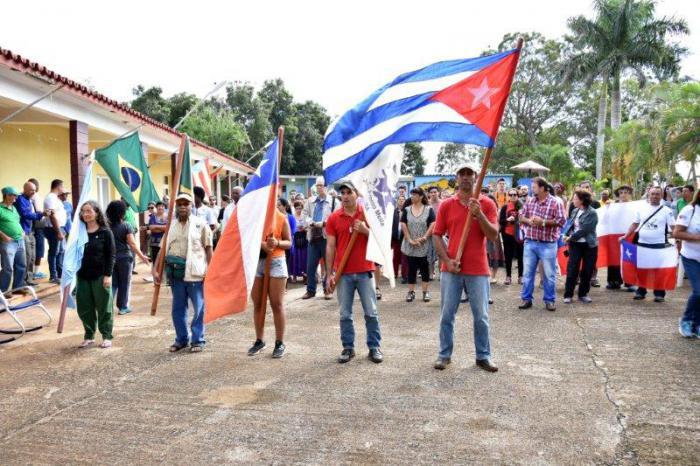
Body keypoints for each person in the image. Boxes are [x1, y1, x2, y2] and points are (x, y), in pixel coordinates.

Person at [432, 166, 499, 372]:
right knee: (447, 315)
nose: (466, 178)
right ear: (457, 178)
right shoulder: (446, 204)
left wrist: (480, 215)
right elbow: (436, 235)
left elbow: (493, 235)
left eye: (470, 175)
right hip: (451, 268)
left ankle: (483, 356)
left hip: (478, 268)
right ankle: (444, 355)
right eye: (462, 174)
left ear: (476, 178)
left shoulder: (486, 204)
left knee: (481, 316)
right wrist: (447, 260)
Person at [325, 181, 383, 364]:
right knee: (345, 313)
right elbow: (330, 246)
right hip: (343, 273)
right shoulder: (334, 218)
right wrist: (329, 273)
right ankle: (348, 348)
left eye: (349, 192)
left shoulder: (368, 214)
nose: (345, 196)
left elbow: (380, 240)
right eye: (342, 193)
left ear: (356, 194)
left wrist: (366, 230)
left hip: (365, 270)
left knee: (371, 312)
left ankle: (374, 347)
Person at [156, 192, 213, 353]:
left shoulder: (200, 224)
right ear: (175, 206)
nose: (182, 206)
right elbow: (162, 250)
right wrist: (156, 269)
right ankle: (181, 339)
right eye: (179, 204)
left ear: (191, 206)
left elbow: (209, 248)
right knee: (178, 309)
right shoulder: (170, 226)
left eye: (185, 204)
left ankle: (197, 340)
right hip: (176, 274)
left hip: (195, 274)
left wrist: (212, 270)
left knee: (199, 308)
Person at [248, 202, 292, 358]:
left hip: (276, 261)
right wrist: (262, 245)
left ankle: (280, 342)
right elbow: (247, 237)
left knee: (277, 304)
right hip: (256, 261)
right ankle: (259, 340)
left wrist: (277, 243)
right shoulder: (254, 217)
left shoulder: (281, 218)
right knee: (258, 303)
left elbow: (288, 242)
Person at [518, 177, 566, 311]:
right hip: (530, 243)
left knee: (549, 275)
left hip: (548, 244)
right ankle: (526, 299)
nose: (532, 189)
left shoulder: (556, 202)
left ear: (543, 188)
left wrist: (543, 222)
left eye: (534, 187)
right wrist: (529, 221)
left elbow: (562, 221)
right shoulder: (530, 201)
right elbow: (521, 216)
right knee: (528, 274)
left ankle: (549, 300)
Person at [621, 186, 675, 302]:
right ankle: (641, 291)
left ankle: (659, 294)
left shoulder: (667, 211)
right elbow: (634, 224)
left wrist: (677, 240)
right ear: (649, 195)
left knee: (659, 271)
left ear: (661, 196)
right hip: (642, 245)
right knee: (642, 270)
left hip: (659, 245)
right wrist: (626, 236)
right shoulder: (641, 209)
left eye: (657, 194)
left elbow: (673, 228)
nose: (655, 196)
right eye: (653, 194)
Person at [75, 201, 115, 349]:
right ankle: (89, 335)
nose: (85, 214)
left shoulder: (105, 232)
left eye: (89, 211)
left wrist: (108, 275)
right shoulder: (79, 232)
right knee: (84, 307)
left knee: (104, 307)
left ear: (97, 213)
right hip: (82, 275)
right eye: (83, 211)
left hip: (100, 275)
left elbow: (111, 255)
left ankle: (106, 336)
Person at [106, 201, 150, 315]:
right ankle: (123, 307)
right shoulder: (126, 225)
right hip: (125, 258)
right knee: (125, 283)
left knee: (114, 283)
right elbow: (132, 244)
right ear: (122, 213)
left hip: (111, 259)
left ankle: (107, 307)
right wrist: (142, 256)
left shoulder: (106, 227)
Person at [301, 176, 337, 300]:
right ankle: (310, 290)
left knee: (329, 266)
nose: (319, 188)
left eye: (321, 185)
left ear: (326, 187)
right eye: (317, 185)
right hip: (313, 237)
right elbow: (304, 215)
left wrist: (324, 223)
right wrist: (310, 221)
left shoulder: (333, 201)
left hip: (327, 238)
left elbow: (336, 216)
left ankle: (328, 290)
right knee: (310, 266)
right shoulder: (310, 201)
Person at [562, 190, 599, 304]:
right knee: (572, 269)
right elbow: (571, 225)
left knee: (587, 270)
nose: (573, 200)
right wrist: (566, 234)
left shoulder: (592, 213)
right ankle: (568, 295)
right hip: (575, 245)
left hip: (589, 245)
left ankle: (583, 294)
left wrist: (570, 238)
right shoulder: (574, 211)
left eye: (575, 198)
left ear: (582, 200)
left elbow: (585, 230)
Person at [400, 187, 436, 302]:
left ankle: (425, 292)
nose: (412, 196)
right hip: (410, 244)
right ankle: (411, 292)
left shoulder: (428, 209)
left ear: (421, 196)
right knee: (411, 268)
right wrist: (409, 239)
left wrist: (425, 237)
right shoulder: (406, 209)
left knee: (425, 268)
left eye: (415, 194)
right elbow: (403, 224)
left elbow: (433, 223)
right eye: (411, 194)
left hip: (424, 244)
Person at [674, 189, 700, 337]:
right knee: (698, 291)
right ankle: (686, 320)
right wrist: (697, 237)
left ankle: (697, 324)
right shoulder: (690, 210)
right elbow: (677, 233)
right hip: (691, 257)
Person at [14, 181, 47, 286]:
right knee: (27, 257)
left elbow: (33, 213)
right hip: (23, 231)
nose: (34, 192)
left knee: (32, 256)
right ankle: (22, 282)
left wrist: (43, 213)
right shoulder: (20, 199)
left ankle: (29, 279)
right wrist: (41, 214)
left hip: (31, 231)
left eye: (34, 190)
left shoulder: (29, 200)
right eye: (31, 190)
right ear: (25, 190)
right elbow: (25, 214)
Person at [607, 185, 636, 291]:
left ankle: (630, 282)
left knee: (629, 258)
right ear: (618, 195)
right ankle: (614, 282)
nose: (623, 194)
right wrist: (607, 208)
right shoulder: (612, 205)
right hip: (614, 235)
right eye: (621, 192)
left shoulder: (635, 206)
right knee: (614, 258)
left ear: (630, 194)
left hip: (630, 235)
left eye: (626, 192)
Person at [0, 186, 27, 297]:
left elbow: (16, 221)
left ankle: (17, 288)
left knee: (21, 265)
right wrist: (4, 236)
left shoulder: (13, 208)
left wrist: (22, 231)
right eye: (14, 195)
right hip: (8, 242)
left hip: (20, 240)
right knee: (8, 267)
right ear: (7, 195)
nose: (16, 197)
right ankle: (3, 291)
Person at [44, 179, 68, 283]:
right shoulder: (50, 198)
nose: (63, 189)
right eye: (62, 187)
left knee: (61, 251)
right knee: (54, 252)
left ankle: (60, 274)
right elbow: (52, 216)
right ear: (59, 187)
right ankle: (53, 276)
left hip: (59, 227)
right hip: (53, 228)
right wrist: (58, 231)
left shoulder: (56, 198)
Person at [499, 188, 523, 285]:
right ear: (508, 196)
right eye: (511, 194)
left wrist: (518, 220)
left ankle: (520, 276)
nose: (513, 196)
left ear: (518, 196)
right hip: (507, 234)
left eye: (515, 194)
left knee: (520, 256)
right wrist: (508, 219)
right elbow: (501, 221)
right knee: (508, 256)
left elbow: (527, 219)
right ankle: (508, 276)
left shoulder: (522, 206)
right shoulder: (505, 207)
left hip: (519, 234)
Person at [28, 178, 47, 280]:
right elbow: (39, 211)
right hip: (38, 225)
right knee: (39, 249)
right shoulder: (35, 197)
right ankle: (35, 272)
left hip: (32, 225)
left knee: (33, 249)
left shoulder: (27, 197)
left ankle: (32, 272)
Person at [277, 197, 296, 287]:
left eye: (279, 205)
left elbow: (293, 231)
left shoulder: (290, 217)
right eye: (277, 205)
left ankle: (284, 286)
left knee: (286, 265)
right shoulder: (275, 217)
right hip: (277, 244)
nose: (277, 207)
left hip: (286, 244)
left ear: (285, 207)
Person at [426, 186, 442, 278]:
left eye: (435, 192)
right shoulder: (426, 204)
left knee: (441, 253)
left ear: (438, 193)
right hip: (429, 232)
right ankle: (431, 273)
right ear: (428, 194)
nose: (433, 194)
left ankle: (441, 273)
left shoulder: (443, 203)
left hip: (441, 232)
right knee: (429, 254)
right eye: (431, 192)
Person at [291, 200, 308, 283]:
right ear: (294, 208)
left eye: (300, 208)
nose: (299, 210)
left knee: (304, 258)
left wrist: (304, 229)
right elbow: (291, 229)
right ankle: (294, 276)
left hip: (304, 238)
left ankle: (305, 275)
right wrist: (297, 229)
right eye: (297, 208)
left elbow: (308, 226)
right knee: (295, 257)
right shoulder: (292, 217)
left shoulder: (304, 216)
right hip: (296, 239)